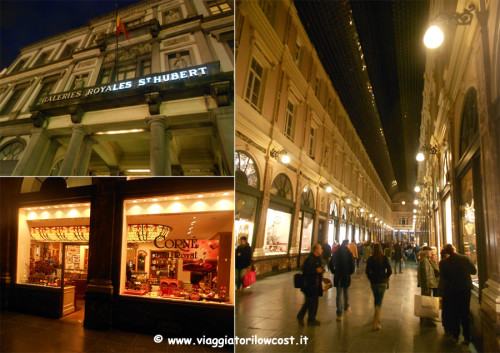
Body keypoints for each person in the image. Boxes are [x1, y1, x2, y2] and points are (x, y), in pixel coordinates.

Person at [440, 244, 477, 344]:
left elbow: (444, 278)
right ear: (454, 249)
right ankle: (467, 337)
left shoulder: (444, 263)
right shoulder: (465, 259)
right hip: (465, 290)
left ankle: (455, 336)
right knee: (465, 313)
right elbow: (474, 271)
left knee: (454, 313)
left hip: (452, 290)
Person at [366, 243, 392, 330]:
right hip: (382, 282)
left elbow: (367, 271)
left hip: (374, 282)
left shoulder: (370, 259)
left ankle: (377, 317)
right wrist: (386, 276)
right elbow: (390, 270)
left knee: (376, 300)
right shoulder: (384, 258)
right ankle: (375, 323)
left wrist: (371, 278)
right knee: (379, 302)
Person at [297, 244, 323, 326]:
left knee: (309, 301)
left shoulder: (317, 259)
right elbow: (306, 271)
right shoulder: (310, 259)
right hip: (310, 285)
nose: (322, 250)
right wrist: (316, 271)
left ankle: (301, 316)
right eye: (320, 249)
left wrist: (320, 271)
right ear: (316, 250)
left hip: (315, 284)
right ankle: (311, 320)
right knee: (312, 302)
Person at [329, 240, 354, 321]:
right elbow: (352, 266)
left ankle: (339, 314)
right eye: (349, 244)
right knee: (346, 292)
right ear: (346, 244)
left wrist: (334, 271)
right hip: (346, 275)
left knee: (338, 294)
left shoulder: (336, 253)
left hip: (338, 275)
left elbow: (330, 264)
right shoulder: (349, 254)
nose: (349, 246)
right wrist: (349, 272)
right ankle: (346, 307)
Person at [417, 246, 439, 326]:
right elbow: (425, 274)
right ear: (426, 252)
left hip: (427, 285)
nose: (431, 253)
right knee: (426, 303)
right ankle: (426, 320)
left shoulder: (425, 260)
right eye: (430, 251)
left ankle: (425, 319)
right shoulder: (425, 261)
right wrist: (426, 287)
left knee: (425, 302)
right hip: (427, 285)